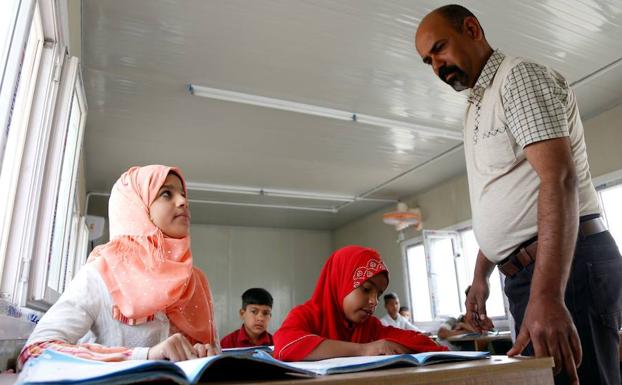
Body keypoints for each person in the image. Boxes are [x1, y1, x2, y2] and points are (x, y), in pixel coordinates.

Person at [415, 5, 622, 385]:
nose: (437, 67)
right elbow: (512, 199)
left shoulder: (518, 78)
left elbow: (558, 178)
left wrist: (547, 293)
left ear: (472, 29)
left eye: (440, 48)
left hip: (563, 267)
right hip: (534, 272)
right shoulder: (477, 103)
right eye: (428, 61)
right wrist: (481, 276)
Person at [19, 165, 219, 366]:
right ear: (136, 207)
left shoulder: (195, 281)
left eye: (184, 194)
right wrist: (146, 356)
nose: (184, 201)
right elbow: (35, 351)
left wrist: (203, 354)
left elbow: (207, 353)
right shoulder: (102, 274)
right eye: (166, 193)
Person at [273, 245, 445, 361]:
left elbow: (423, 342)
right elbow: (284, 345)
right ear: (340, 282)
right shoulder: (308, 315)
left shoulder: (370, 327)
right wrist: (363, 350)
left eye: (378, 294)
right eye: (366, 289)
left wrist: (397, 347)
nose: (373, 301)